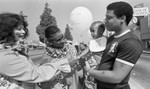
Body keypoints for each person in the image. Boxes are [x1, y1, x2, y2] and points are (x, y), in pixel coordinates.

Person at [0, 12, 70, 89]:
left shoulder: (13, 52)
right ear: (6, 31)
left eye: (23, 29)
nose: (23, 32)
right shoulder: (4, 56)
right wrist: (62, 63)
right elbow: (34, 74)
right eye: (19, 29)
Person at [83, 1, 143, 89]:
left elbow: (116, 77)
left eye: (109, 17)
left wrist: (89, 71)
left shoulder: (130, 42)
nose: (105, 20)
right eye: (105, 17)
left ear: (122, 18)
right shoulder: (111, 38)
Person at [77, 21, 107, 89]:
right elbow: (87, 50)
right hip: (93, 63)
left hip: (102, 63)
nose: (91, 33)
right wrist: (80, 55)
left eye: (93, 31)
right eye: (91, 31)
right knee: (91, 77)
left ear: (101, 30)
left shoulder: (106, 40)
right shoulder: (91, 41)